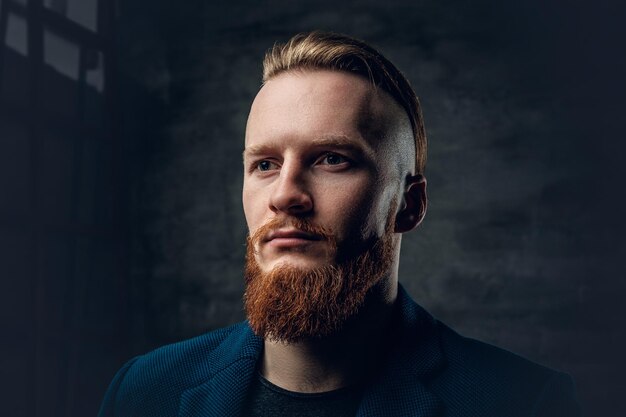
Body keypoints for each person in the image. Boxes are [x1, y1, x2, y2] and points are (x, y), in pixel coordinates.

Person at [98, 31, 580, 417]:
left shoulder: (523, 402)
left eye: (332, 159)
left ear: (409, 206)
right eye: (265, 164)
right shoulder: (145, 391)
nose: (285, 193)